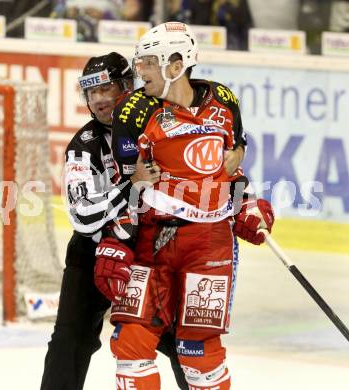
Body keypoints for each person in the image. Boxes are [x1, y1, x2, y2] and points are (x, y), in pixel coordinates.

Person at [94, 22, 274, 389]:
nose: (137, 70)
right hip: (151, 239)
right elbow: (125, 182)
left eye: (146, 62)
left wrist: (246, 206)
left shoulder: (223, 101)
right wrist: (117, 237)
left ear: (175, 66)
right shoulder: (133, 111)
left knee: (199, 352)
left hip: (209, 242)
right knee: (131, 342)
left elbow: (232, 167)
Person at [40, 52, 188, 390]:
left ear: (127, 87)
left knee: (181, 340)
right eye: (93, 93)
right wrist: (130, 183)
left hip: (148, 251)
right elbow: (83, 216)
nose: (102, 99)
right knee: (69, 341)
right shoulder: (83, 147)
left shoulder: (162, 124)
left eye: (108, 88)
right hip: (93, 254)